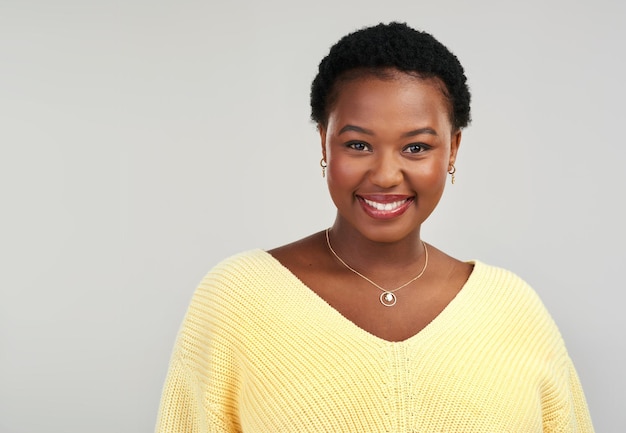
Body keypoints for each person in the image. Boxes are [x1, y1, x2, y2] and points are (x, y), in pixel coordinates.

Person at [155, 22, 594, 432]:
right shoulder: (237, 298)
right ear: (324, 141)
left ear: (453, 149)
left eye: (416, 147)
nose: (385, 175)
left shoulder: (512, 309)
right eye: (358, 144)